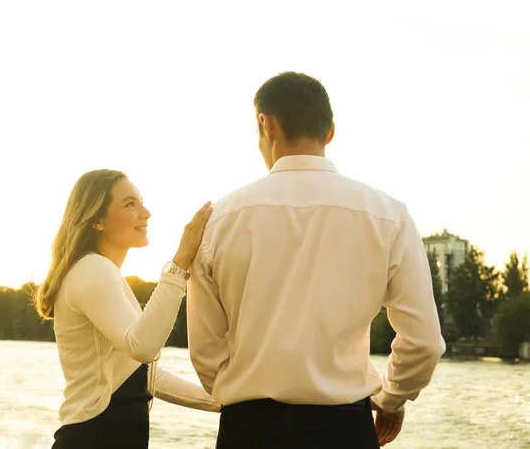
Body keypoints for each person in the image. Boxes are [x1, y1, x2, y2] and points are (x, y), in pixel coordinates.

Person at [187, 72, 446, 448]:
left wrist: (243, 395)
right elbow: (424, 342)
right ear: (330, 132)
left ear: (266, 124)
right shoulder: (388, 215)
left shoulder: (218, 220)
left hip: (248, 429)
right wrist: (392, 399)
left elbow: (206, 352)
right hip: (344, 430)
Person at [33, 169, 220, 449]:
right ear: (96, 219)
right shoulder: (92, 269)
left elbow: (141, 373)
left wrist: (223, 403)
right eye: (130, 204)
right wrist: (179, 263)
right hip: (95, 438)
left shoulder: (98, 271)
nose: (146, 212)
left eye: (141, 201)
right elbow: (143, 346)